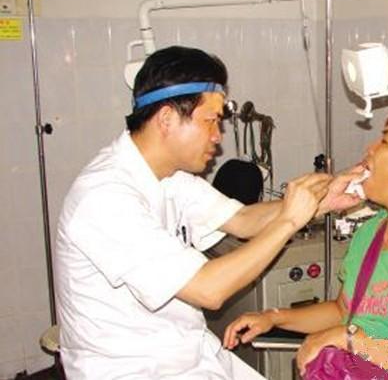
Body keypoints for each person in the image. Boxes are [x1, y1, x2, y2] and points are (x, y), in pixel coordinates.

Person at [54, 46, 361, 379]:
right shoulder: (104, 198)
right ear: (167, 119)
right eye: (210, 121)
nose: (218, 136)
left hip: (188, 353)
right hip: (133, 368)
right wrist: (289, 220)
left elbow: (243, 221)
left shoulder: (169, 176)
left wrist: (321, 202)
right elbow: (208, 290)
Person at [224, 108, 388, 379]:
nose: (370, 148)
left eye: (384, 141)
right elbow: (342, 311)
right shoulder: (371, 232)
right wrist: (273, 317)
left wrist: (349, 339)